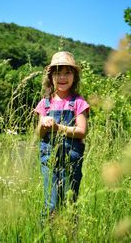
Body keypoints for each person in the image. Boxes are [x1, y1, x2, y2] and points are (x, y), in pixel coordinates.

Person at [34, 51, 89, 214]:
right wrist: (43, 126)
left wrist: (59, 128)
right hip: (48, 158)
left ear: (75, 77)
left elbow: (81, 131)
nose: (62, 77)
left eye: (67, 73)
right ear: (50, 77)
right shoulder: (44, 103)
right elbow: (38, 134)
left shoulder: (78, 102)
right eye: (57, 73)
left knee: (69, 203)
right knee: (50, 204)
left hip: (71, 160)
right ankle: (46, 237)